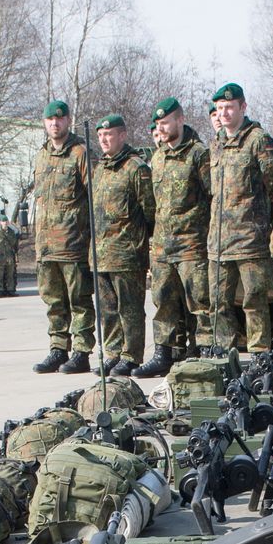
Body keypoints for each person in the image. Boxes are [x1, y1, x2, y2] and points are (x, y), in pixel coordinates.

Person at [136, 97, 210, 377]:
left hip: (192, 243)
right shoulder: (158, 157)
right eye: (158, 124)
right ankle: (164, 353)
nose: (161, 128)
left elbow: (212, 196)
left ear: (180, 120)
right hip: (163, 247)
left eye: (165, 122)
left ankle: (203, 353)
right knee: (163, 302)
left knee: (199, 303)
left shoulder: (198, 154)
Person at [206, 82, 273, 355]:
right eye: (219, 108)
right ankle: (224, 354)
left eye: (229, 107)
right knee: (218, 303)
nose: (224, 113)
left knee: (254, 301)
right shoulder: (216, 143)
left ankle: (260, 355)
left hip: (250, 239)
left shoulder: (258, 140)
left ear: (242, 107)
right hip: (219, 242)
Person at [30, 100, 94, 373]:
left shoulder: (81, 153)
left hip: (73, 244)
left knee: (79, 301)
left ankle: (81, 351)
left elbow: (94, 198)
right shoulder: (41, 156)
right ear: (45, 123)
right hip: (46, 247)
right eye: (50, 120)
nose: (54, 124)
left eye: (59, 119)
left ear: (68, 121)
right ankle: (58, 349)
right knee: (53, 303)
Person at [89, 113, 153, 376]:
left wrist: (139, 243)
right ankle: (113, 353)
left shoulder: (136, 168)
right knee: (107, 310)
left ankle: (131, 356)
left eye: (109, 134)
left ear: (122, 135)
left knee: (130, 310)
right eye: (100, 136)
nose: (104, 140)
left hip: (127, 254)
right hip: (101, 254)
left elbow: (150, 211)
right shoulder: (99, 170)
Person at [0, 215, 21, 296]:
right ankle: (0, 290)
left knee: (10, 274)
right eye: (3, 221)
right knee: (0, 274)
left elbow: (14, 243)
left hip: (9, 256)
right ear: (0, 222)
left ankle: (10, 290)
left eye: (6, 221)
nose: (5, 223)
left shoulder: (11, 232)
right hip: (1, 256)